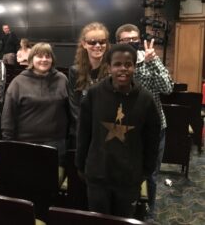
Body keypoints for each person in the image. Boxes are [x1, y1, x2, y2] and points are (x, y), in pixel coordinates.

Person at [76, 43, 161, 218]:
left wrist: (146, 171)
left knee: (123, 220)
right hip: (98, 174)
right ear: (109, 67)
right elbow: (83, 133)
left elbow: (152, 139)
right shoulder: (94, 94)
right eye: (117, 64)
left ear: (134, 67)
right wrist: (80, 164)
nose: (123, 69)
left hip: (129, 178)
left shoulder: (145, 99)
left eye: (128, 64)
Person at [115, 24, 173, 222]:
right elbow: (129, 87)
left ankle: (150, 212)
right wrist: (142, 66)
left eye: (134, 39)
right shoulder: (116, 63)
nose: (131, 42)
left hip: (155, 129)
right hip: (128, 129)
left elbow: (166, 88)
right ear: (118, 43)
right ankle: (128, 210)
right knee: (127, 173)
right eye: (126, 40)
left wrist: (153, 61)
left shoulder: (150, 56)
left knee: (152, 174)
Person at [1, 42, 70, 166]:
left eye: (47, 56)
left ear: (52, 59)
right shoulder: (18, 82)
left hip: (56, 144)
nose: (44, 59)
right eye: (39, 56)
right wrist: (8, 144)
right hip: (25, 143)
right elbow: (8, 116)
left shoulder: (62, 79)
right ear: (31, 59)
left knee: (52, 183)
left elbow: (69, 111)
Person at [68, 22, 110, 148]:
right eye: (92, 42)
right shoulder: (75, 71)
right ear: (84, 44)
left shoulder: (113, 70)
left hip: (106, 133)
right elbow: (74, 105)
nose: (98, 46)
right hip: (82, 132)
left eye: (102, 42)